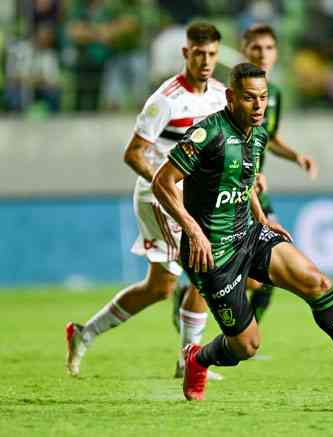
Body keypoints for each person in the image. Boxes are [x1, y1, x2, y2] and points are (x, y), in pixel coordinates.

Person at [151, 62, 333, 401]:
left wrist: (263, 217)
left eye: (262, 97)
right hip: (214, 253)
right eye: (248, 98)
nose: (258, 106)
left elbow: (244, 183)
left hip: (250, 233)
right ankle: (198, 358)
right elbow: (162, 182)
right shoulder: (208, 133)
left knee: (317, 282)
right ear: (230, 97)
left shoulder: (257, 134)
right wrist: (193, 231)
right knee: (247, 346)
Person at [65, 22, 226, 381]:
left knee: (160, 288)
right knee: (206, 270)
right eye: (198, 53)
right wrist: (167, 184)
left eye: (212, 54)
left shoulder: (219, 95)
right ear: (186, 53)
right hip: (160, 196)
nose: (205, 60)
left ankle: (83, 333)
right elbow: (133, 153)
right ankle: (190, 361)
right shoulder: (165, 100)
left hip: (193, 197)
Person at [240, 24, 319, 324]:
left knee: (273, 264)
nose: (263, 54)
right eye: (256, 48)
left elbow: (269, 138)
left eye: (269, 48)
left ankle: (248, 337)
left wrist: (296, 156)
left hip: (259, 191)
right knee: (254, 276)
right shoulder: (228, 91)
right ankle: (192, 296)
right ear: (244, 49)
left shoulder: (274, 94)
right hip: (234, 188)